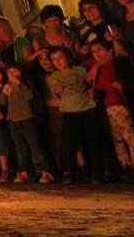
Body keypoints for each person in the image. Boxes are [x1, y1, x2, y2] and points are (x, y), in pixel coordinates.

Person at [87, 39, 134, 181]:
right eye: (93, 51)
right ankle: (126, 167)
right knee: (117, 139)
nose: (97, 53)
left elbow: (117, 51)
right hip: (105, 107)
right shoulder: (93, 66)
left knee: (129, 136)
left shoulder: (111, 63)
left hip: (118, 104)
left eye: (100, 49)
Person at [49, 47, 102, 183]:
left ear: (68, 57)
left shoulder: (80, 70)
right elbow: (55, 93)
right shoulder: (54, 76)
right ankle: (68, 171)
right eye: (54, 60)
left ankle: (96, 171)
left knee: (93, 140)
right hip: (70, 111)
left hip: (87, 108)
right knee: (69, 142)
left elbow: (91, 85)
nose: (58, 62)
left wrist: (92, 93)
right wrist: (58, 92)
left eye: (60, 58)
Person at [0, 64, 53, 183]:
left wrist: (19, 84)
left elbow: (30, 97)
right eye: (9, 72)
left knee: (35, 147)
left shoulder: (26, 85)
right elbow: (2, 102)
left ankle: (44, 172)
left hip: (27, 120)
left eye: (15, 71)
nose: (12, 74)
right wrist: (4, 92)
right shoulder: (8, 86)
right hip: (13, 121)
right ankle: (24, 172)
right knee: (19, 149)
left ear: (21, 73)